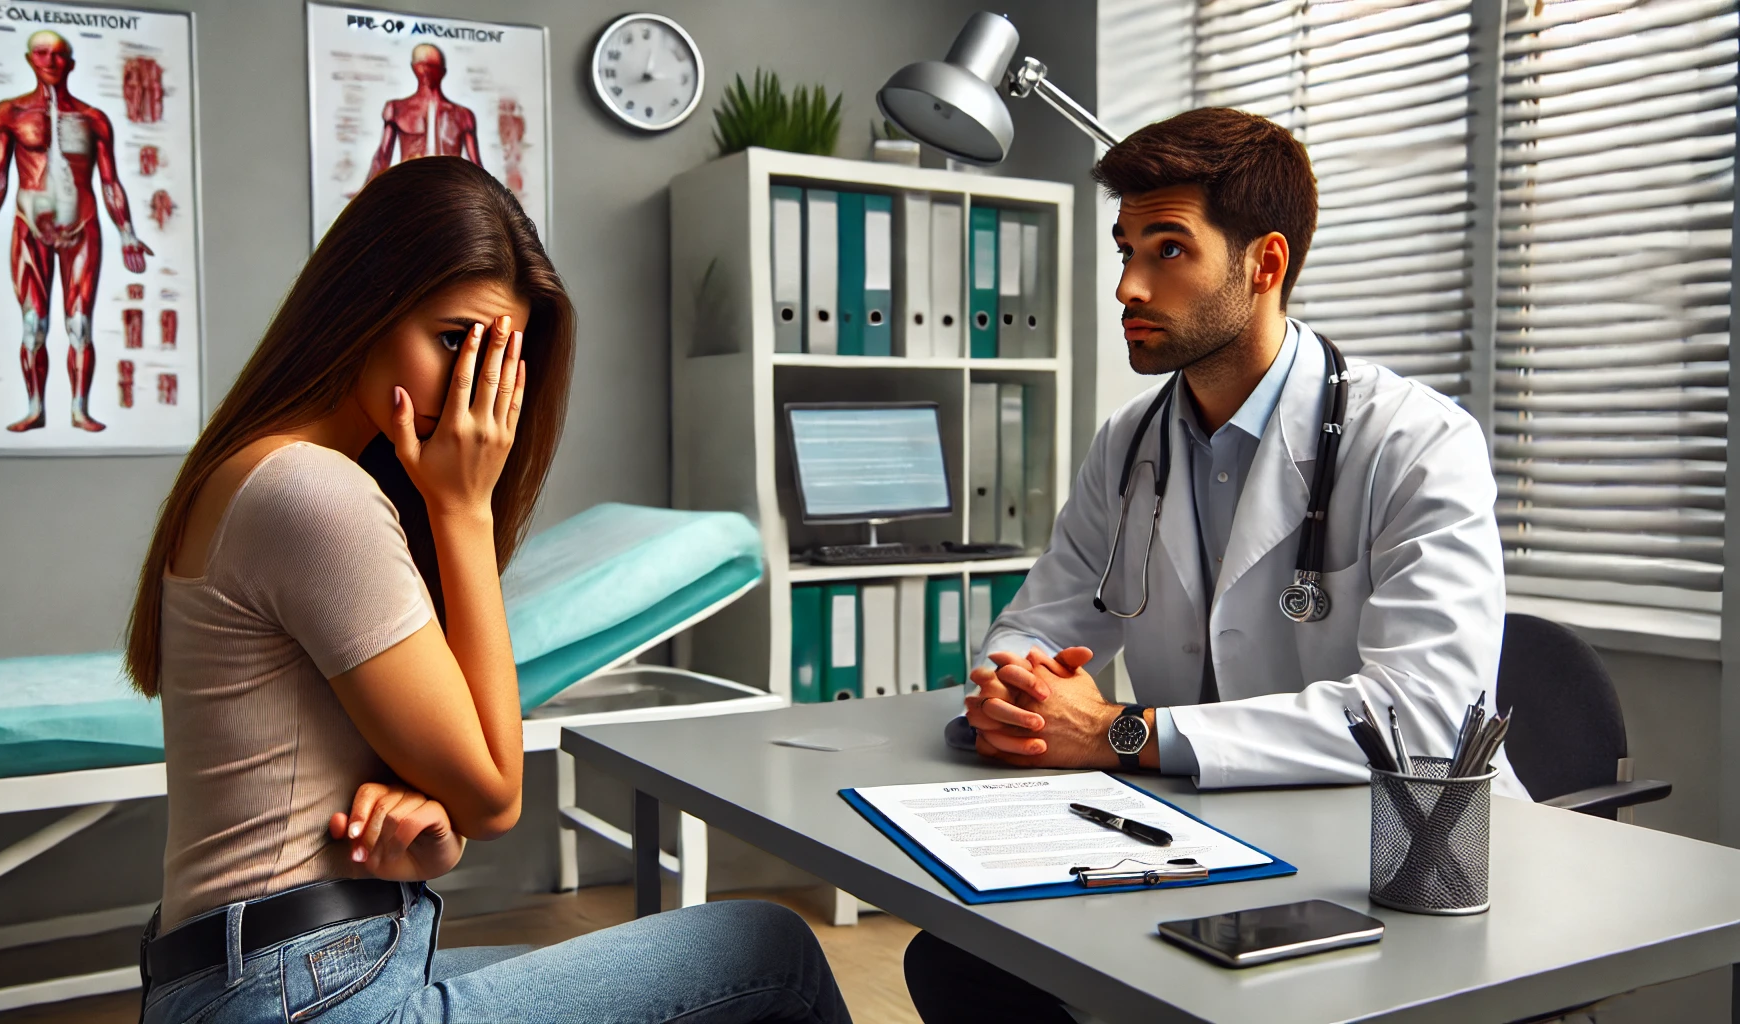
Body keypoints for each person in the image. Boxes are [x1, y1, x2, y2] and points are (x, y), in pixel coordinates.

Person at [124, 157, 850, 1024]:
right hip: (297, 992)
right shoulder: (312, 493)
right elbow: (499, 794)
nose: (474, 397)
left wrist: (433, 820)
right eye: (452, 341)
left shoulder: (272, 472)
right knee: (772, 952)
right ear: (363, 305)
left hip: (273, 972)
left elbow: (455, 794)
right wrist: (461, 511)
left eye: (499, 360)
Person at [903, 107, 1528, 1023]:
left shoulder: (1418, 441)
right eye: (1125, 250)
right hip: (1206, 844)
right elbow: (1044, 615)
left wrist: (1120, 732)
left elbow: (1424, 717)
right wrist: (1019, 689)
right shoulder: (1130, 440)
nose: (1127, 285)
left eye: (1167, 250)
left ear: (1263, 264)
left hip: (1403, 866)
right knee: (963, 963)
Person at [0, 29, 152, 433]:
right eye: (42, 53)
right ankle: (35, 408)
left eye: (58, 55)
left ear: (71, 63)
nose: (50, 61)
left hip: (82, 227)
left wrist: (127, 232)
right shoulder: (9, 113)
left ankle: (79, 410)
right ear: (30, 59)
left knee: (80, 324)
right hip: (30, 227)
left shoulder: (93, 118)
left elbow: (110, 182)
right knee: (34, 325)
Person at [363, 44, 483, 187]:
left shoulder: (463, 115)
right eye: (423, 66)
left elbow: (476, 167)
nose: (427, 72)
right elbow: (382, 158)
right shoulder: (397, 109)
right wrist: (364, 194)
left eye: (432, 67)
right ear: (414, 68)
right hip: (410, 189)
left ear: (442, 72)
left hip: (448, 191)